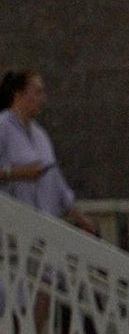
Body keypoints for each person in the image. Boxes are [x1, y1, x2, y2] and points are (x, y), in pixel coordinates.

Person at [0, 71, 97, 231]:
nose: (42, 99)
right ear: (18, 95)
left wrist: (79, 217)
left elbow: (56, 179)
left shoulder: (40, 134)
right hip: (14, 226)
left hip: (44, 225)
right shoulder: (3, 127)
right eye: (37, 92)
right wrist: (18, 173)